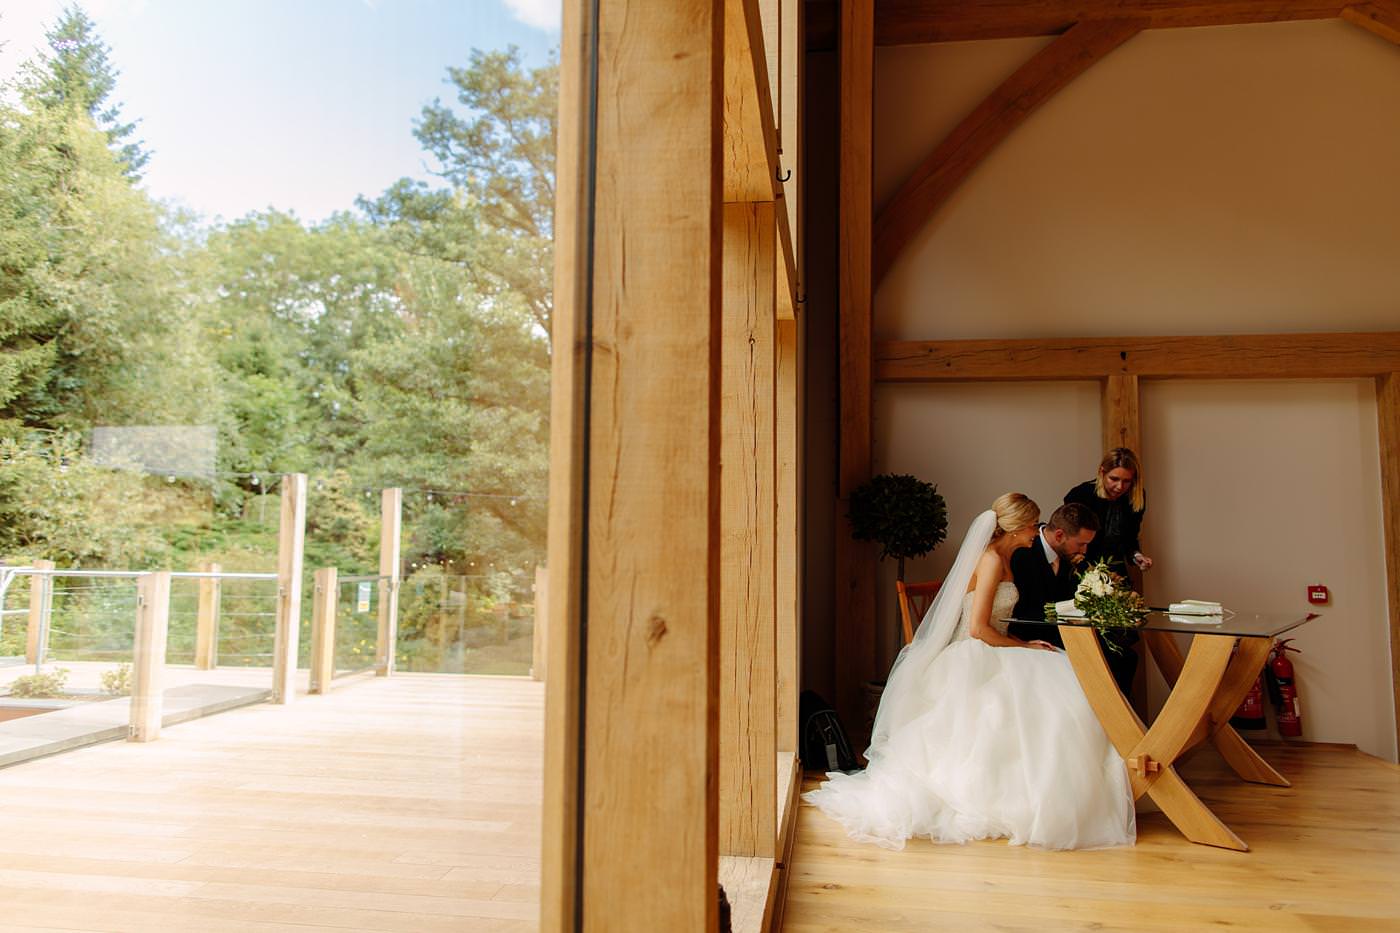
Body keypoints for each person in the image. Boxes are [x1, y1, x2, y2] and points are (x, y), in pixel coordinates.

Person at [803, 494, 1135, 851]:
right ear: (1013, 528)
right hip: (976, 651)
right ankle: (1029, 798)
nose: (1033, 533)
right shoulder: (991, 560)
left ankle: (1066, 792)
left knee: (1062, 678)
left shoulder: (1008, 558)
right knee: (1051, 685)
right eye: (1029, 526)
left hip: (996, 644)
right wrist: (1024, 647)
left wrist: (1025, 643)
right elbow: (978, 629)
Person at [1008, 502, 1138, 697]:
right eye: (1081, 544)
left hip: (1069, 629)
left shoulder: (1067, 552)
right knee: (1117, 658)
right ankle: (1112, 719)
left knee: (1125, 653)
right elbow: (1023, 612)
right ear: (1059, 535)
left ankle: (1118, 720)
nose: (1084, 551)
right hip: (1033, 631)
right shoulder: (1023, 553)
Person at [1064, 448, 1152, 579]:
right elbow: (1071, 542)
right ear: (1102, 472)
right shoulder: (1081, 495)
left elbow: (1130, 537)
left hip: (1116, 568)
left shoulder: (1135, 497)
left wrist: (1136, 556)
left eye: (1126, 481)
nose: (1120, 487)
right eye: (1114, 479)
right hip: (1084, 569)